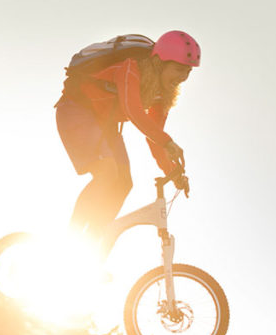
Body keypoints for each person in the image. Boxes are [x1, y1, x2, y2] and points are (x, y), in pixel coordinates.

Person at [55, 31, 200, 255]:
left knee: (124, 183)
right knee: (107, 174)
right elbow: (134, 112)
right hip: (76, 111)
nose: (183, 77)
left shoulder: (161, 96)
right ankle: (69, 240)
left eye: (188, 71)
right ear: (159, 62)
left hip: (105, 125)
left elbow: (154, 137)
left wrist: (173, 173)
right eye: (179, 69)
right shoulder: (131, 68)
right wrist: (169, 142)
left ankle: (91, 246)